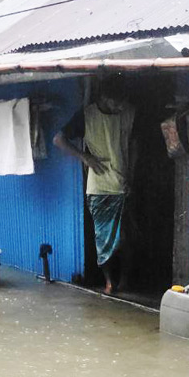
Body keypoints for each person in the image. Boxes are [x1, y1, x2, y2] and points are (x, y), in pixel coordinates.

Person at [53, 83, 135, 294]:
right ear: (105, 99)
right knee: (102, 237)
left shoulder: (128, 114)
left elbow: (135, 145)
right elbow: (58, 139)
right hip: (98, 185)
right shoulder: (86, 115)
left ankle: (125, 279)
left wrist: (131, 175)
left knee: (124, 237)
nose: (121, 108)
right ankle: (109, 281)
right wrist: (85, 157)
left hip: (122, 183)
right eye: (117, 103)